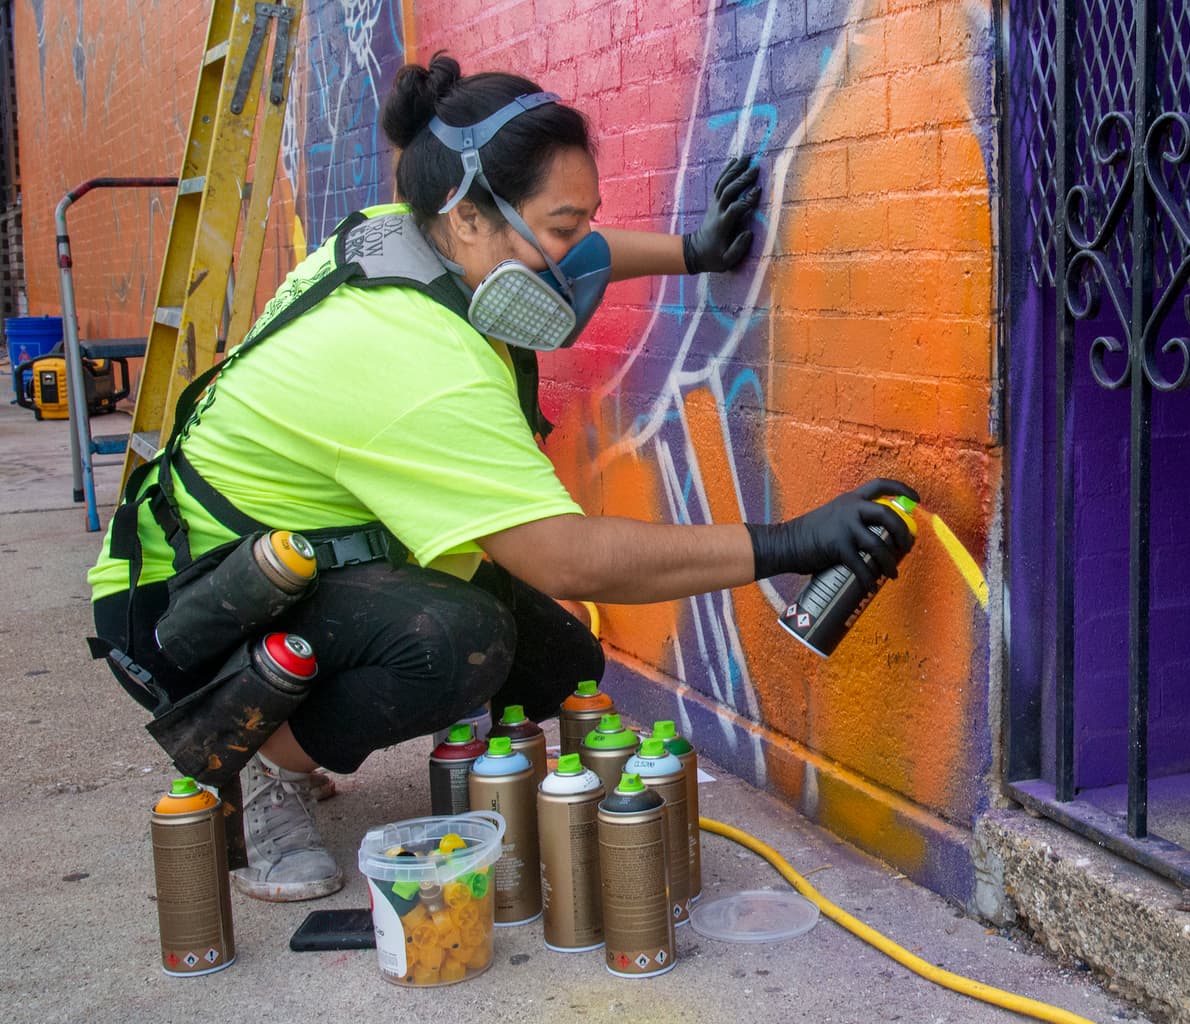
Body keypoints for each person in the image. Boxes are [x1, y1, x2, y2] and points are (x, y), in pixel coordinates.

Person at [88, 53, 917, 902]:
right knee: (458, 643)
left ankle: (299, 723)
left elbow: (575, 247)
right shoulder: (415, 356)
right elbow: (569, 559)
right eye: (560, 226)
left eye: (582, 220)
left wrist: (692, 252)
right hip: (185, 609)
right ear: (468, 216)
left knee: (558, 662)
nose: (574, 249)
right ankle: (261, 762)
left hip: (295, 559)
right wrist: (787, 543)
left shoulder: (407, 235)